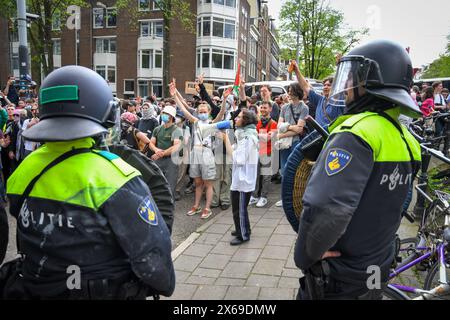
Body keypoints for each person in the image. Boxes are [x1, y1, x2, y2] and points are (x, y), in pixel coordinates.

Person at [4, 65, 175, 299]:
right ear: (107, 115)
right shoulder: (115, 176)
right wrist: (162, 284)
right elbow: (153, 255)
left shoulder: (26, 167)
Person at [294, 40, 422, 300]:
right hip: (377, 264)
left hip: (341, 275)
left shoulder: (355, 132)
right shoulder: (407, 139)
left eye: (353, 77)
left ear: (369, 81)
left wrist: (306, 254)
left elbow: (325, 208)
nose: (348, 87)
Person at [170, 80, 226, 220]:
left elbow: (221, 113)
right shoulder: (195, 122)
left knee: (208, 183)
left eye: (204, 111)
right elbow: (183, 110)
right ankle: (196, 205)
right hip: (195, 153)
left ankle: (207, 208)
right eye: (200, 111)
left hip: (207, 153)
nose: (201, 113)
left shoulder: (212, 123)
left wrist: (224, 100)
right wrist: (174, 95)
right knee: (197, 183)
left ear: (209, 112)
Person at [221, 109, 259, 245]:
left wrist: (226, 139)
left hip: (244, 180)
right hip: (239, 178)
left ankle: (243, 235)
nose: (235, 119)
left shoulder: (248, 138)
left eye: (239, 117)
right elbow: (235, 149)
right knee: (237, 208)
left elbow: (238, 158)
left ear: (246, 121)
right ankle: (242, 228)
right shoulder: (243, 136)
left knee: (240, 210)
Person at [273, 83, 308, 207]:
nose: (288, 92)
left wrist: (285, 128)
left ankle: (294, 198)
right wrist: (291, 128)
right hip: (284, 144)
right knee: (284, 170)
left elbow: (299, 130)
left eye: (290, 90)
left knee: (294, 170)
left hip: (295, 143)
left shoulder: (304, 107)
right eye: (288, 90)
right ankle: (284, 198)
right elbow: (278, 126)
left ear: (296, 91)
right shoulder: (284, 107)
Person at [148, 105, 183, 196]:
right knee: (157, 183)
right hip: (159, 158)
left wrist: (161, 153)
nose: (164, 115)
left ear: (171, 117)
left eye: (166, 114)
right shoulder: (157, 129)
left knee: (170, 185)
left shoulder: (177, 130)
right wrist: (156, 150)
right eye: (163, 113)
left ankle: (169, 205)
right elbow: (151, 143)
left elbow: (176, 147)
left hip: (171, 160)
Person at [249, 101, 278, 208]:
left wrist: (258, 134)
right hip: (257, 152)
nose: (263, 110)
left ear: (270, 109)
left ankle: (264, 197)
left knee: (266, 176)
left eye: (265, 108)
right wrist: (262, 135)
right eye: (261, 107)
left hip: (268, 152)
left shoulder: (273, 123)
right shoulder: (258, 122)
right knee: (256, 175)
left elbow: (268, 138)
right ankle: (255, 196)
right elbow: (261, 137)